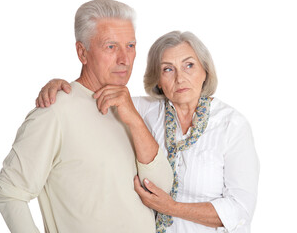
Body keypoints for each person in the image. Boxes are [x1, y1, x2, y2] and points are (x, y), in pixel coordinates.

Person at [36, 31, 260, 233]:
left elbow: (239, 210)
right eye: (168, 69)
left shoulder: (232, 126)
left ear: (205, 71)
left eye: (189, 65)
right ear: (159, 81)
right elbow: (94, 98)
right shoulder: (145, 111)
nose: (180, 78)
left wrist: (172, 208)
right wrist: (62, 88)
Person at [0, 0, 173, 233]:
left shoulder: (130, 108)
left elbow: (161, 188)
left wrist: (135, 120)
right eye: (111, 46)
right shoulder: (55, 112)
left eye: (130, 45)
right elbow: (8, 192)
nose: (124, 59)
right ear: (82, 52)